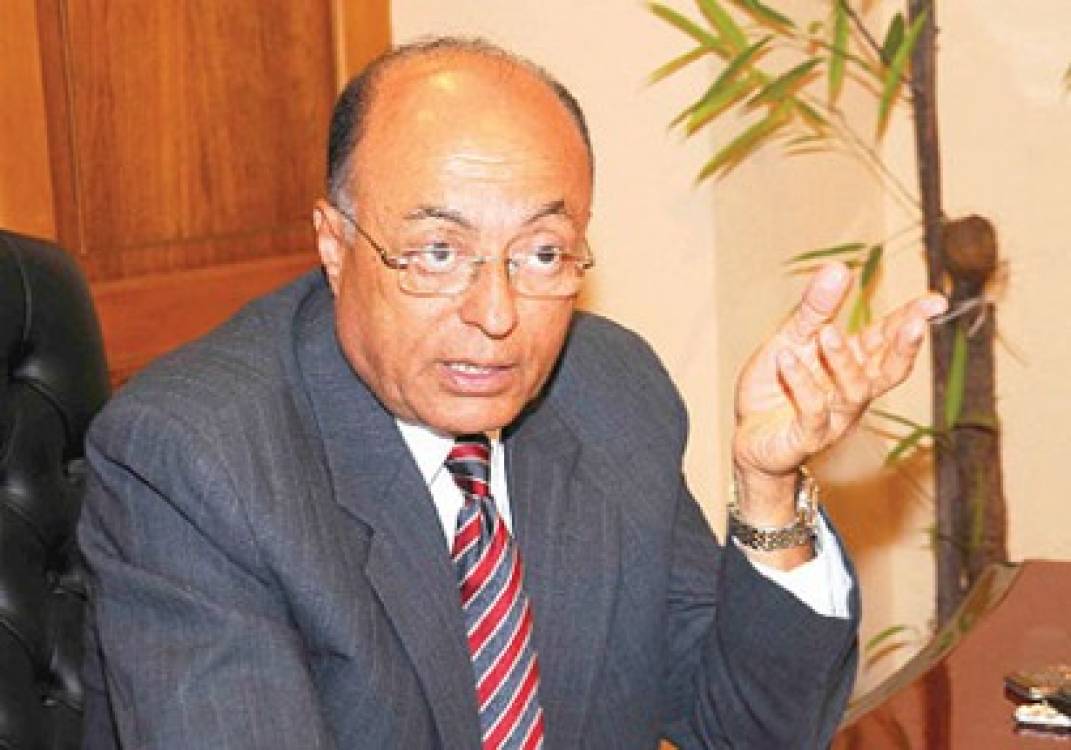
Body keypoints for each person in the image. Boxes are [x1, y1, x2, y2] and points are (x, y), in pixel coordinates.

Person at [79, 38, 947, 749]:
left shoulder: (607, 389)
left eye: (540, 254)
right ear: (334, 244)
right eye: (437, 253)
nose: (495, 316)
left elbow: (749, 730)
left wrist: (767, 489)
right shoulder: (196, 457)